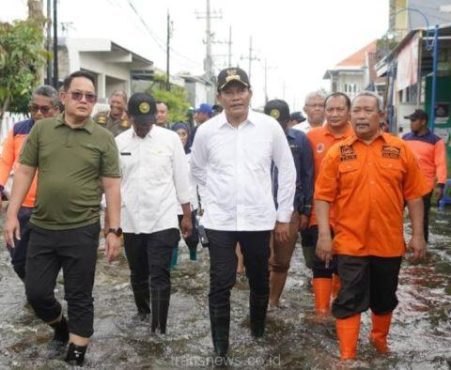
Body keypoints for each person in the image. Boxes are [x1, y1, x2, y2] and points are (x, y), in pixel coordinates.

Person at [3, 70, 122, 366]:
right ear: (64, 97)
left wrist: (113, 230)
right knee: (37, 292)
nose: (84, 100)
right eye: (78, 94)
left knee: (79, 295)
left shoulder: (103, 138)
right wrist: (12, 214)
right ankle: (60, 327)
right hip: (42, 227)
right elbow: (25, 172)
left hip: (82, 229)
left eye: (90, 96)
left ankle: (75, 357)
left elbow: (112, 186)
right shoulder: (41, 131)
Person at [190, 67, 296, 358]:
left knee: (259, 278)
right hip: (220, 220)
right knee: (221, 281)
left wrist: (283, 215)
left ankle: (258, 334)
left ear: (250, 93)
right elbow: (196, 170)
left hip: (258, 218)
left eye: (240, 90)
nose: (235, 97)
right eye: (228, 91)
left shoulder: (269, 127)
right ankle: (221, 352)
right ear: (220, 96)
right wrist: (205, 204)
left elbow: (287, 170)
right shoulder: (206, 131)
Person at [315, 91, 429, 360]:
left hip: (388, 243)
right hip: (350, 243)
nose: (361, 115)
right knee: (349, 298)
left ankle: (379, 343)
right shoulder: (337, 153)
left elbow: (414, 195)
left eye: (368, 110)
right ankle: (347, 357)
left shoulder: (399, 149)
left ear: (380, 116)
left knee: (384, 299)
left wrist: (418, 235)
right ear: (351, 115)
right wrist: (323, 235)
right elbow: (322, 197)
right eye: (357, 110)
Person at [115, 93, 192, 333]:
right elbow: (113, 184)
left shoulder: (170, 140)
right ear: (129, 117)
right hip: (130, 220)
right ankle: (143, 313)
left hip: (164, 217)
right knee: (138, 273)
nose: (145, 127)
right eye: (140, 122)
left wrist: (187, 216)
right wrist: (111, 224)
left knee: (159, 274)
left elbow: (182, 179)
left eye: (149, 122)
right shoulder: (118, 142)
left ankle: (159, 330)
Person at [0, 85, 59, 284]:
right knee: (17, 258)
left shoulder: (63, 133)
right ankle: (35, 289)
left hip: (51, 208)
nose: (38, 113)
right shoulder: (19, 130)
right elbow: (5, 161)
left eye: (45, 109)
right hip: (21, 207)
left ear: (56, 109)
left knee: (46, 257)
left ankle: (42, 292)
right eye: (34, 108)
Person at [305, 92, 354, 315]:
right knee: (321, 261)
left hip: (353, 215)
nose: (334, 114)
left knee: (346, 265)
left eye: (339, 109)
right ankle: (321, 311)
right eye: (330, 109)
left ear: (349, 111)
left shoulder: (359, 136)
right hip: (320, 213)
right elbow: (305, 175)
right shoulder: (312, 137)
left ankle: (340, 305)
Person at [264, 99, 314, 309]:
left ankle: (273, 302)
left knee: (282, 261)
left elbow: (308, 174)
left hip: (291, 208)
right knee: (261, 259)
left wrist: (306, 211)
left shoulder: (300, 140)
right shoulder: (254, 139)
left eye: (281, 124)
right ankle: (260, 300)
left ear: (289, 122)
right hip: (260, 208)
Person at [402, 109, 448, 242]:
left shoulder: (436, 141)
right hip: (404, 184)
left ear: (423, 122)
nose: (411, 123)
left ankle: (422, 247)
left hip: (424, 187)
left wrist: (440, 185)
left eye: (413, 120)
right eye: (410, 120)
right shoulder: (405, 138)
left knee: (422, 219)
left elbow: (441, 164)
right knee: (395, 215)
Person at [170, 122, 200, 267]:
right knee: (171, 238)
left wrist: (202, 204)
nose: (181, 137)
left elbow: (200, 180)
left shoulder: (193, 156)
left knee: (192, 238)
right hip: (170, 204)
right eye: (177, 134)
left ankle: (193, 260)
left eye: (184, 134)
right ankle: (171, 269)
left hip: (189, 204)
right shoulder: (167, 153)